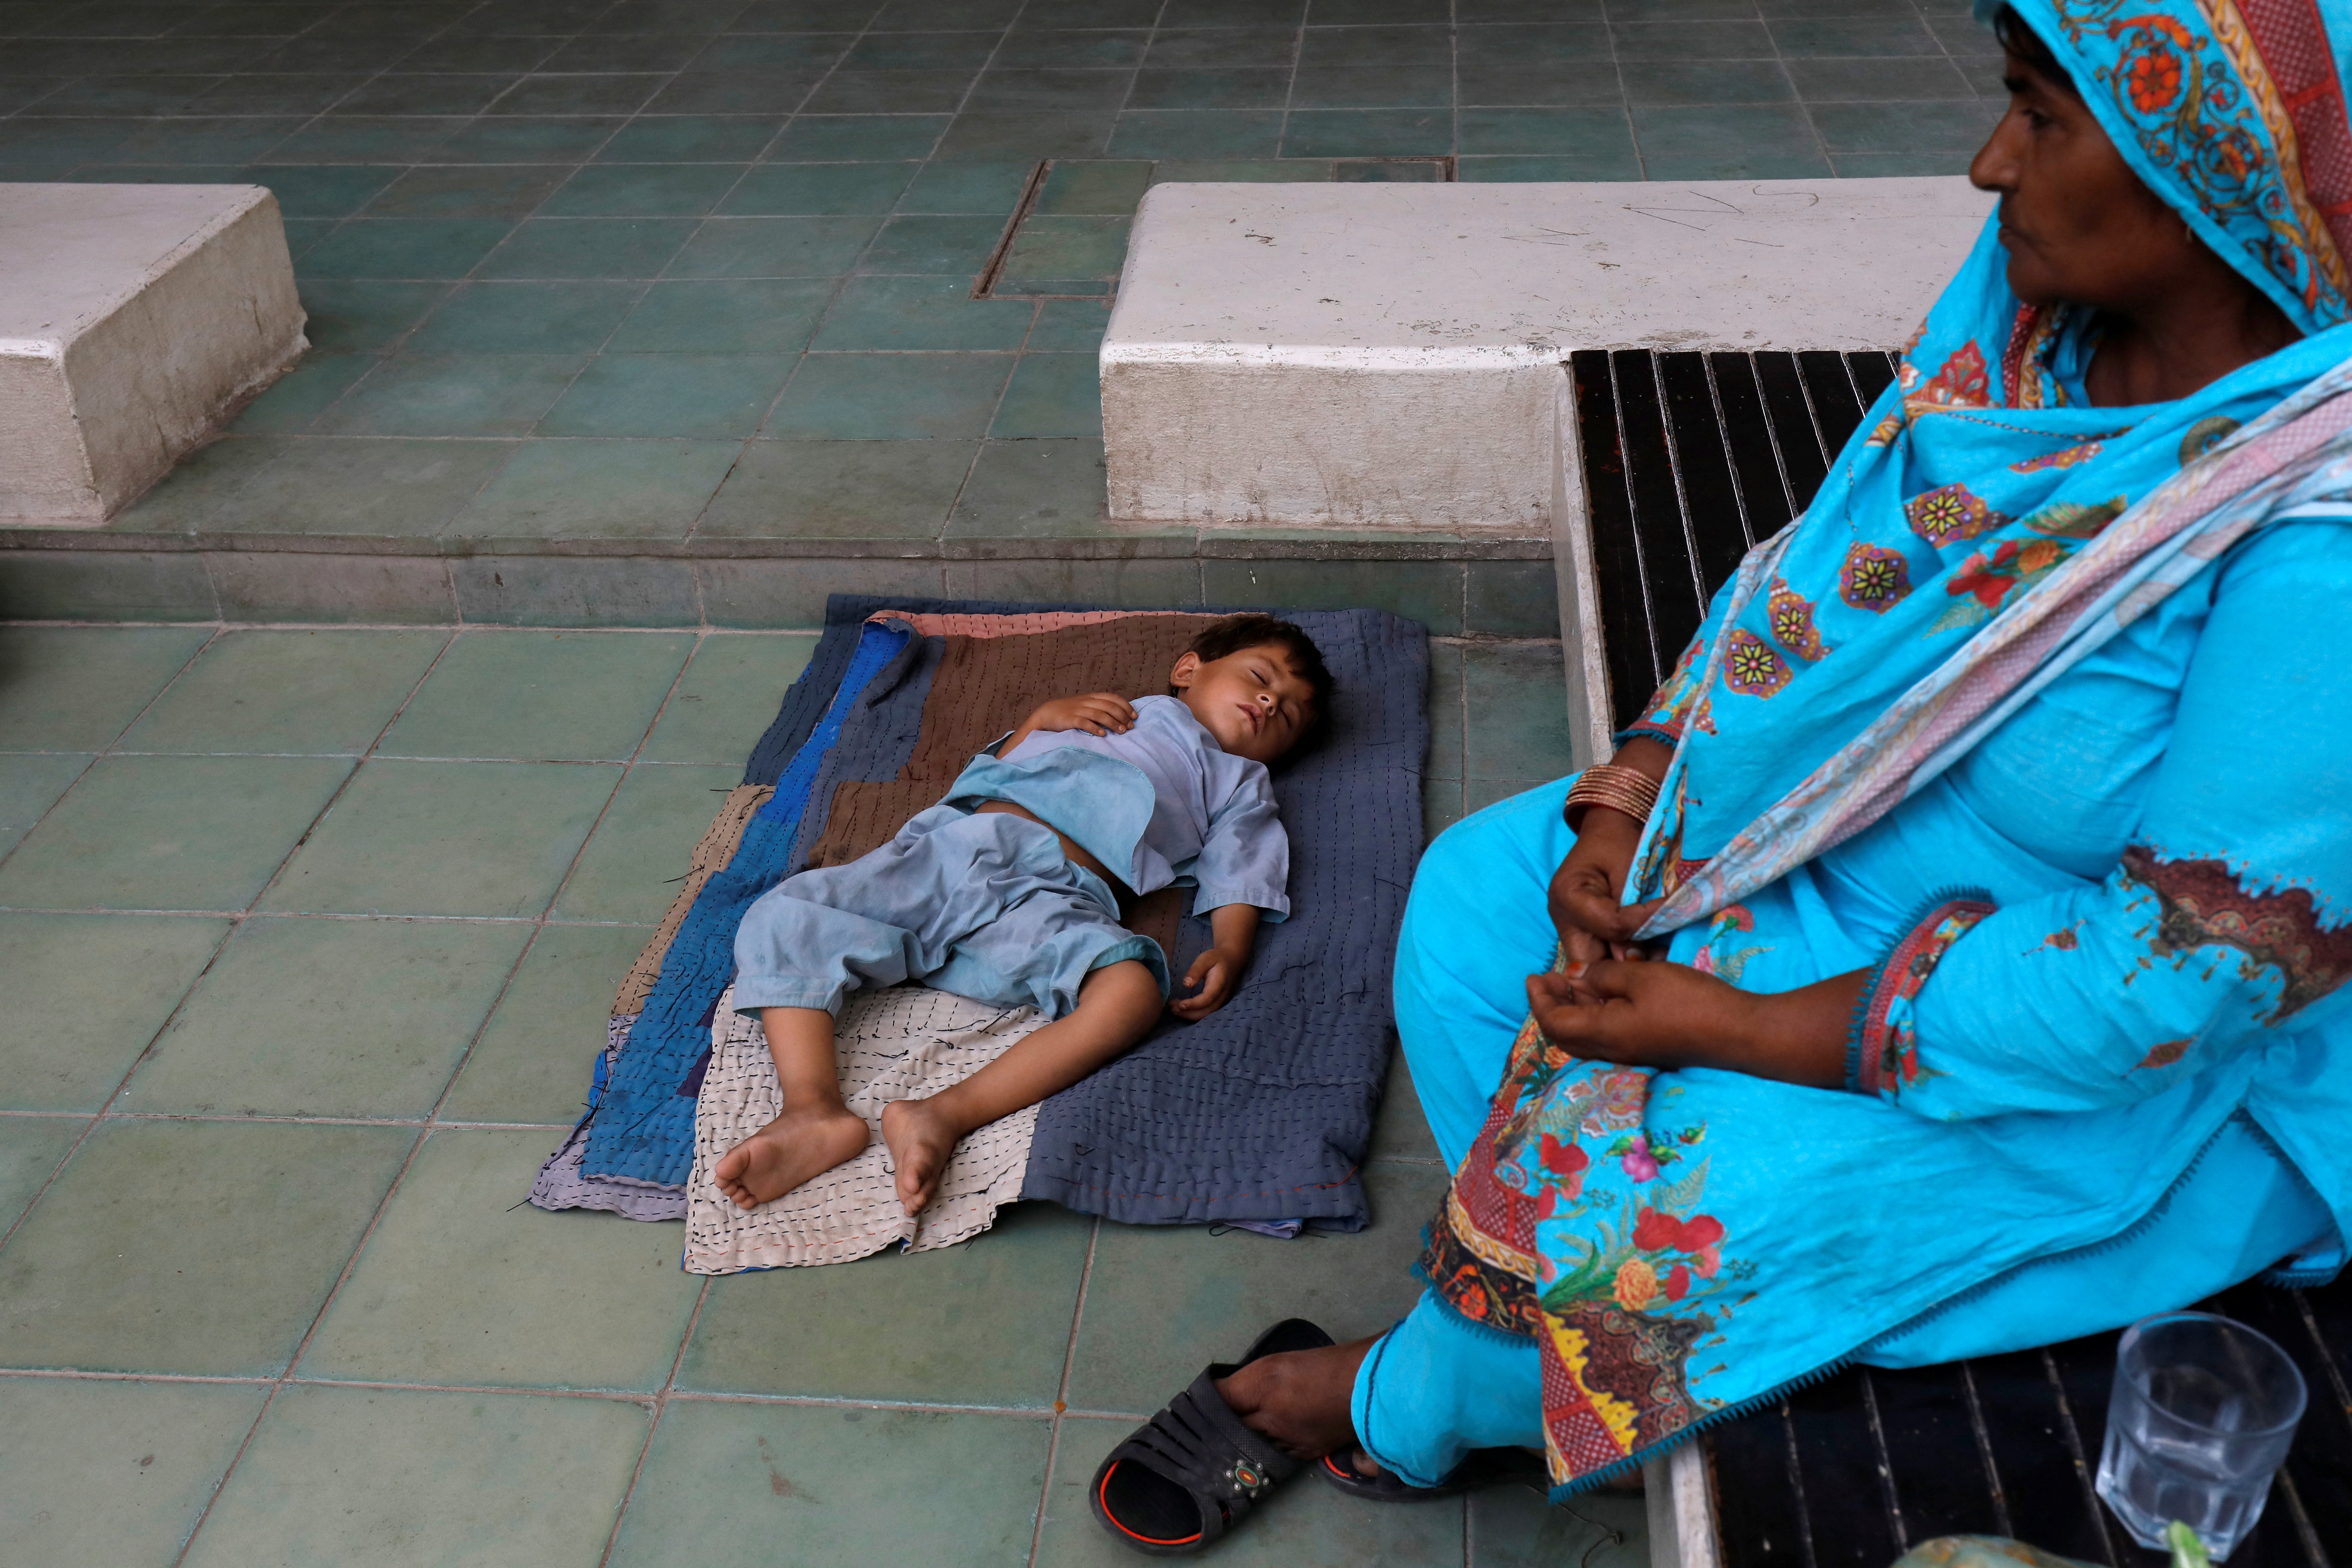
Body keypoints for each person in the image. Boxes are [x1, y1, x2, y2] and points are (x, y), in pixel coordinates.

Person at [1090, 0, 2352, 1545]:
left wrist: (1743, 1028)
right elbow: (1825, 574)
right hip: (1842, 853)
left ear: (2208, 175)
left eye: (2040, 116)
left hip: (2094, 1049)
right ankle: (1548, 1284)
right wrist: (1636, 788)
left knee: (1641, 1240)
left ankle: (1401, 1399)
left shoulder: (2318, 545)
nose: (1984, 164)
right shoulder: (2032, 331)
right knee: (1488, 892)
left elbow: (2160, 990)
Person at [713, 614, 1332, 1218]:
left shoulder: (1241, 782)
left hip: (1060, 895)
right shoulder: (1119, 713)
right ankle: (811, 1108)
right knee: (786, 913)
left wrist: (1230, 946)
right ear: (1187, 669)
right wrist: (1038, 719)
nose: (1270, 701)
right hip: (958, 849)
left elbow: (1242, 866)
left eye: (1292, 711)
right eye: (1260, 675)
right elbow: (993, 775)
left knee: (1133, 990)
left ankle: (942, 1115)